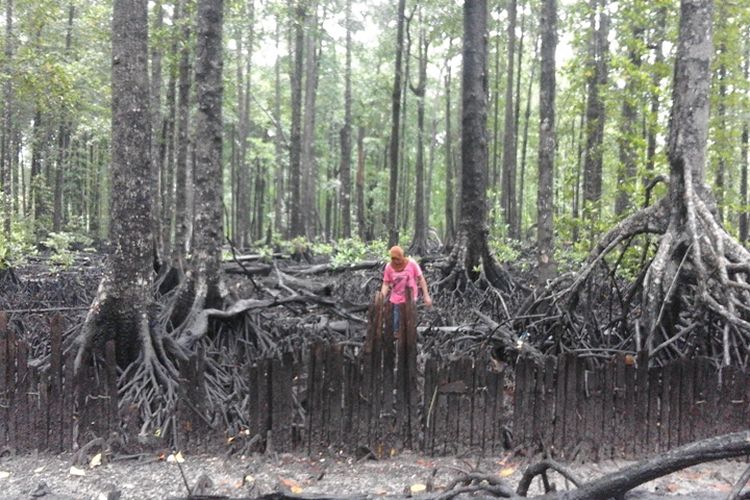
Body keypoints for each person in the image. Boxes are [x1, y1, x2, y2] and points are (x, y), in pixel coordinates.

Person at [379, 246, 432, 333]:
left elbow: (421, 279)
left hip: (410, 299)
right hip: (396, 300)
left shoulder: (412, 264)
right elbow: (386, 283)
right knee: (396, 324)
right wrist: (381, 298)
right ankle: (396, 341)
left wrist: (426, 296)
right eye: (394, 260)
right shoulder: (389, 267)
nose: (397, 262)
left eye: (398, 259)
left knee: (409, 323)